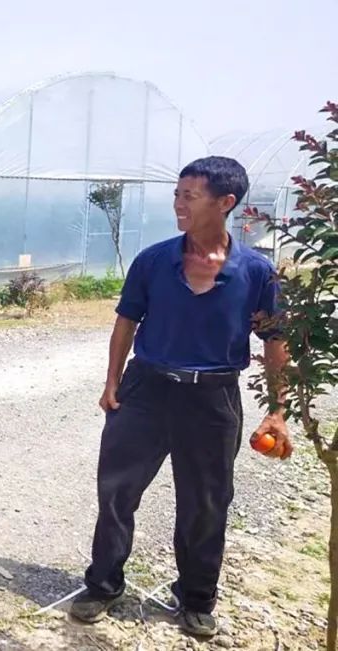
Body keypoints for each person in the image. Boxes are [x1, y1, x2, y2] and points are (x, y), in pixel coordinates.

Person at [70, 156, 292, 639]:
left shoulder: (256, 272)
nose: (178, 204)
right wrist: (112, 382)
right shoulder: (154, 261)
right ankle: (103, 585)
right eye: (177, 194)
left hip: (212, 400)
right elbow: (126, 321)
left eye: (189, 196)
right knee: (117, 492)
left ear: (225, 202)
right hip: (146, 390)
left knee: (206, 504)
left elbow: (275, 341)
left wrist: (278, 410)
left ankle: (196, 598)